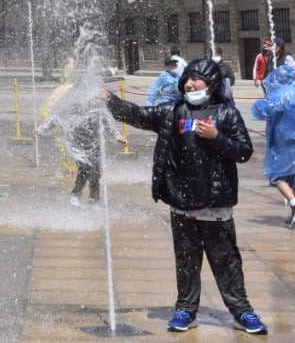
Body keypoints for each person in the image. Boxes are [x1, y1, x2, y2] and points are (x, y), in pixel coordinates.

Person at [102, 58, 267, 335]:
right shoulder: (173, 111)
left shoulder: (227, 114)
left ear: (211, 84)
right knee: (187, 261)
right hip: (182, 202)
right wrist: (110, 100)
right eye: (187, 79)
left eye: (196, 79)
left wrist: (216, 136)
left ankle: (242, 311)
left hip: (215, 203)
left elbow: (244, 152)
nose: (190, 84)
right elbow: (139, 115)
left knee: (226, 261)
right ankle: (186, 310)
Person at [36, 73, 122, 206]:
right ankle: (76, 194)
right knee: (85, 166)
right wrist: (42, 129)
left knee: (96, 172)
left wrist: (117, 136)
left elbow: (106, 120)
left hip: (94, 142)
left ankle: (94, 200)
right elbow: (57, 117)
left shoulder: (96, 103)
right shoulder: (72, 103)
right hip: (76, 142)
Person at [251, 64, 295, 229]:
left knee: (277, 175)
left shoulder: (279, 96)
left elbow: (261, 111)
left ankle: (294, 203)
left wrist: (259, 103)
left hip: (283, 141)